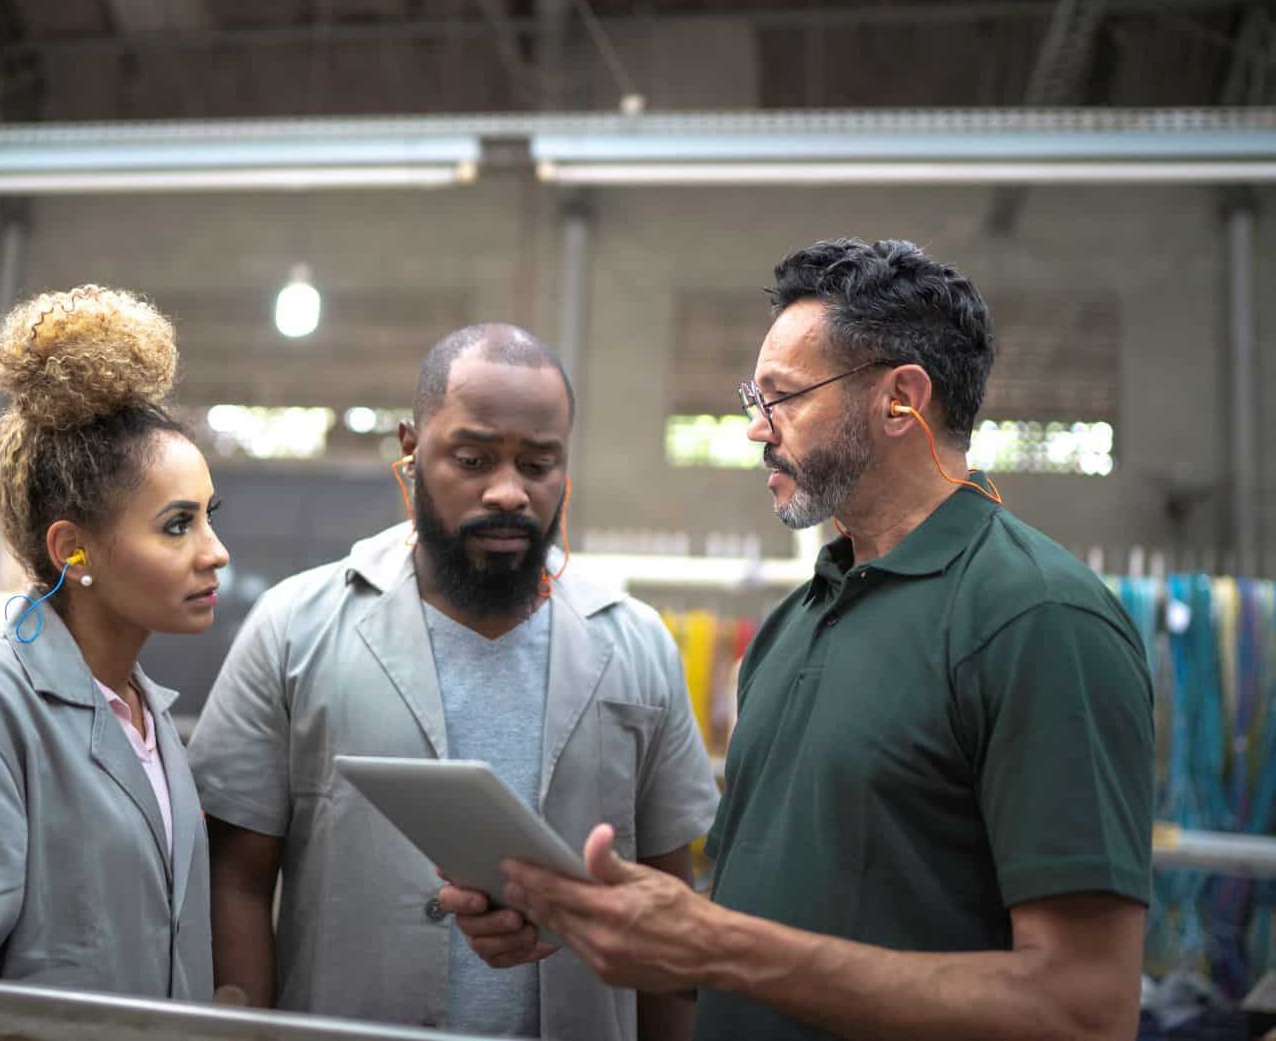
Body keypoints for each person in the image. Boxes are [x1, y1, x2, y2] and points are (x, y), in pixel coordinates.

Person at [498, 240, 1155, 1041]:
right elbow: (774, 936)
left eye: (782, 397)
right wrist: (599, 922)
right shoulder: (793, 625)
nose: (755, 431)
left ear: (900, 401)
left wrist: (720, 944)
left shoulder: (1038, 620)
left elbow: (1085, 1006)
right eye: (755, 398)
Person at [188, 323, 719, 1039]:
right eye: (472, 458)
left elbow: (667, 907)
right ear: (411, 450)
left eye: (538, 464)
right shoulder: (296, 628)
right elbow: (238, 880)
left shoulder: (636, 644)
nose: (507, 492)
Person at [0, 285, 229, 1000]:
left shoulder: (149, 721)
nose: (216, 552)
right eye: (178, 524)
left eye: (209, 516)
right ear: (73, 551)